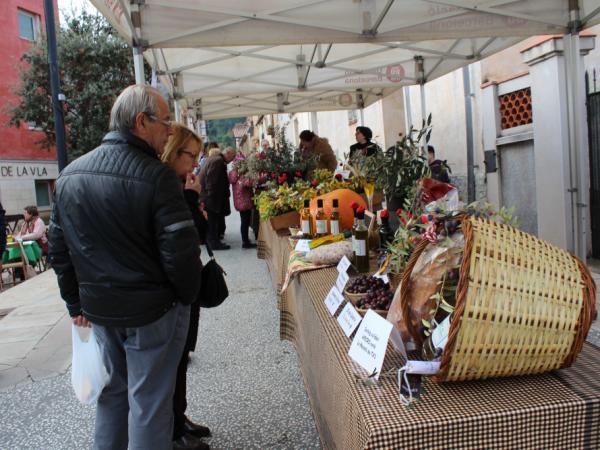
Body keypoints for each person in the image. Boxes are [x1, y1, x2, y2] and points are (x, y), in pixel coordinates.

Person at [48, 85, 203, 450]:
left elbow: (59, 250)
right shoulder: (157, 176)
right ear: (140, 122)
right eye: (165, 121)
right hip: (153, 312)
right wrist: (185, 298)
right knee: (149, 404)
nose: (169, 129)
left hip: (102, 311)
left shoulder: (70, 175)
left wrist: (76, 305)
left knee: (113, 396)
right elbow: (180, 253)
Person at [162, 124, 211, 450]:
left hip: (185, 284)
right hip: (171, 289)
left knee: (181, 359)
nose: (195, 164)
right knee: (172, 362)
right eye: (191, 155)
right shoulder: (165, 187)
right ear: (173, 151)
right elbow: (192, 233)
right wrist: (193, 200)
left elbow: (200, 232)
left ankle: (180, 417)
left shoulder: (178, 183)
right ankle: (173, 427)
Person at [199, 147, 236, 250]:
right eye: (232, 157)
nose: (232, 160)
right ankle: (214, 243)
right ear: (227, 153)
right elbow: (211, 180)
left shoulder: (215, 159)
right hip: (210, 197)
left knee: (213, 221)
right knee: (212, 221)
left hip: (208, 196)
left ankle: (214, 241)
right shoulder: (218, 161)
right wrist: (211, 196)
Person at [228, 153, 257, 249]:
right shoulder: (242, 174)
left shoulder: (233, 173)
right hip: (244, 201)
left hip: (239, 201)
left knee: (244, 221)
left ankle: (245, 240)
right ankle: (245, 242)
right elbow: (248, 183)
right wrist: (257, 177)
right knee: (245, 222)